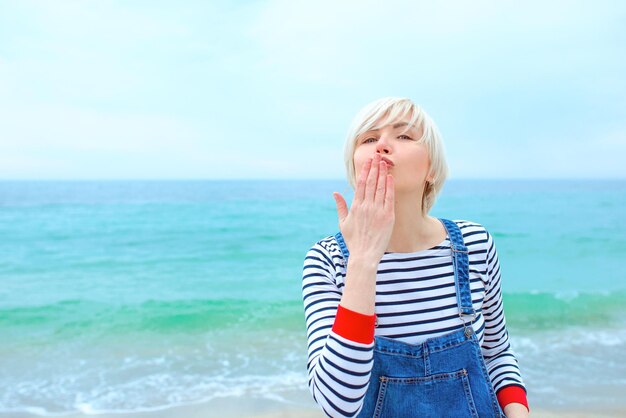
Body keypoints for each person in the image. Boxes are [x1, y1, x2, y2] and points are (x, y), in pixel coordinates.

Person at [301, 97, 529, 417]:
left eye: (404, 136)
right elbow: (338, 404)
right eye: (368, 138)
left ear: (432, 169)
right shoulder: (328, 260)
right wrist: (364, 260)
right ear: (354, 167)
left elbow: (497, 355)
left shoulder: (474, 245)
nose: (382, 145)